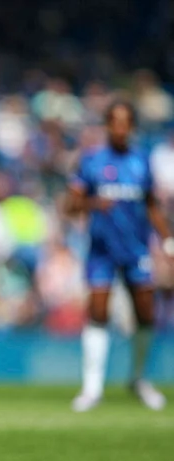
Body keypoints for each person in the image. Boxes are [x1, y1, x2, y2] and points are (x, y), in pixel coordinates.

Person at [68, 100, 173, 412]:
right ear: (107, 125)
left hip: (136, 249)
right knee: (98, 311)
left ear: (133, 127)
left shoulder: (142, 161)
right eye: (115, 121)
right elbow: (71, 205)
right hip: (101, 250)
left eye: (126, 122)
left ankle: (139, 379)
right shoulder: (92, 162)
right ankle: (92, 387)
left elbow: (151, 205)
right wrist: (91, 204)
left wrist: (167, 239)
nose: (120, 128)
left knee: (146, 313)